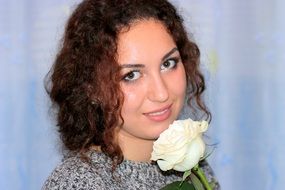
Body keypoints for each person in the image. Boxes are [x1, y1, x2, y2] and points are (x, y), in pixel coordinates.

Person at [43, 0, 220, 189]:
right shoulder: (78, 184)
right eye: (131, 75)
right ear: (91, 89)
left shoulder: (191, 165)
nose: (161, 93)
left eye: (168, 64)